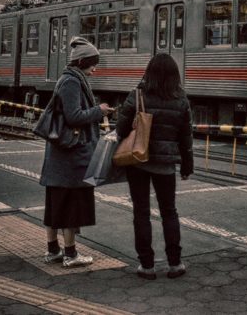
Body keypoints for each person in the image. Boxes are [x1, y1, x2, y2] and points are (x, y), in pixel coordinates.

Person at [117, 52, 194, 280]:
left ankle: (147, 266)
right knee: (169, 211)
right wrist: (187, 166)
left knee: (141, 212)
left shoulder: (137, 95)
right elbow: (186, 138)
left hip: (138, 162)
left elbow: (121, 130)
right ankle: (175, 263)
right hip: (166, 165)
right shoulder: (181, 99)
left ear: (149, 72)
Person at [40, 36, 115, 267]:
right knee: (71, 205)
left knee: (56, 205)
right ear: (82, 62)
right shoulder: (72, 82)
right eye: (93, 63)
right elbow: (74, 116)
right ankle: (71, 254)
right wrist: (98, 111)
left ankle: (54, 251)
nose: (95, 68)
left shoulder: (68, 78)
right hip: (71, 157)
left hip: (62, 156)